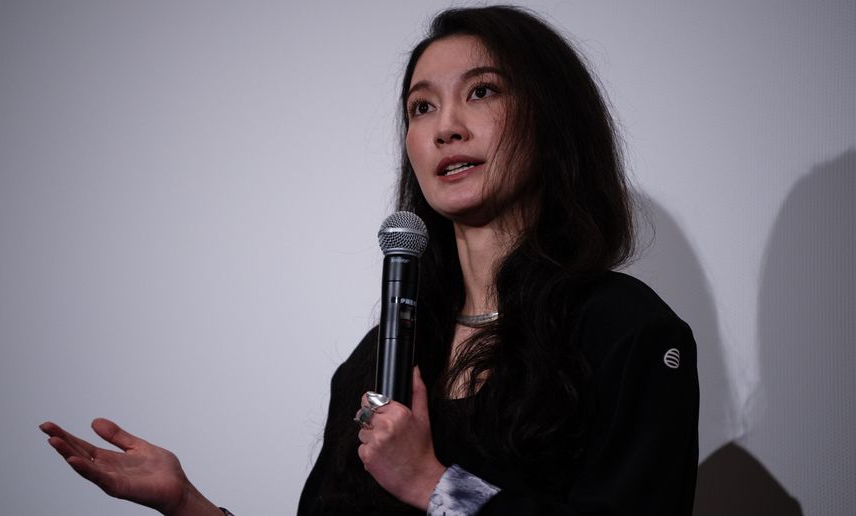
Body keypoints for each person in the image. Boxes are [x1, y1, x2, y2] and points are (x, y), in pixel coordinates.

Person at [41, 5, 698, 516]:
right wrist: (186, 503)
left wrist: (432, 484)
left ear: (551, 121)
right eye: (421, 106)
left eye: (481, 92)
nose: (445, 127)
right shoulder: (378, 359)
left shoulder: (627, 331)